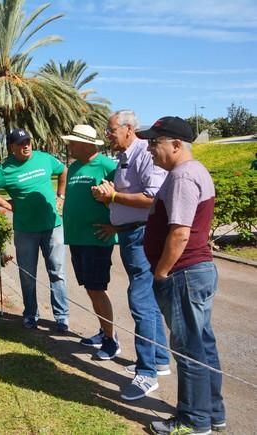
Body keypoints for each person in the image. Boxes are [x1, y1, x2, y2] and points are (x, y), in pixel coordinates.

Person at [137, 116, 226, 435]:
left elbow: (180, 234)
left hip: (183, 274)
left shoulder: (184, 177)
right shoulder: (186, 173)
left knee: (189, 350)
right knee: (202, 346)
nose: (149, 149)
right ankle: (213, 414)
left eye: (154, 143)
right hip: (191, 272)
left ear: (176, 145)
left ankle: (193, 420)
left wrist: (161, 272)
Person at [92, 110, 171, 401]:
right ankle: (159, 360)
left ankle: (147, 372)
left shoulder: (144, 154)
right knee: (147, 301)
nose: (108, 135)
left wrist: (112, 197)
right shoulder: (125, 157)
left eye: (111, 130)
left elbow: (150, 198)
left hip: (142, 235)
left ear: (128, 129)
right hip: (129, 234)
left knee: (140, 301)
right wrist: (111, 201)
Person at [0, 128, 69, 331]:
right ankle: (30, 315)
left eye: (27, 141)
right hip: (26, 230)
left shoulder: (44, 159)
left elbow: (63, 171)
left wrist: (60, 196)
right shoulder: (5, 170)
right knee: (28, 275)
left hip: (53, 226)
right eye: (20, 143)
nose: (25, 145)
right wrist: (6, 204)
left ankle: (62, 318)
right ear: (12, 147)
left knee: (57, 272)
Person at [60, 125, 120, 360]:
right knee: (90, 289)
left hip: (97, 240)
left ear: (87, 144)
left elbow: (124, 199)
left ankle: (111, 340)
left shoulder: (107, 166)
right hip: (77, 239)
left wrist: (115, 226)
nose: (69, 146)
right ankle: (103, 331)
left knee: (97, 289)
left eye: (73, 142)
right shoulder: (75, 167)